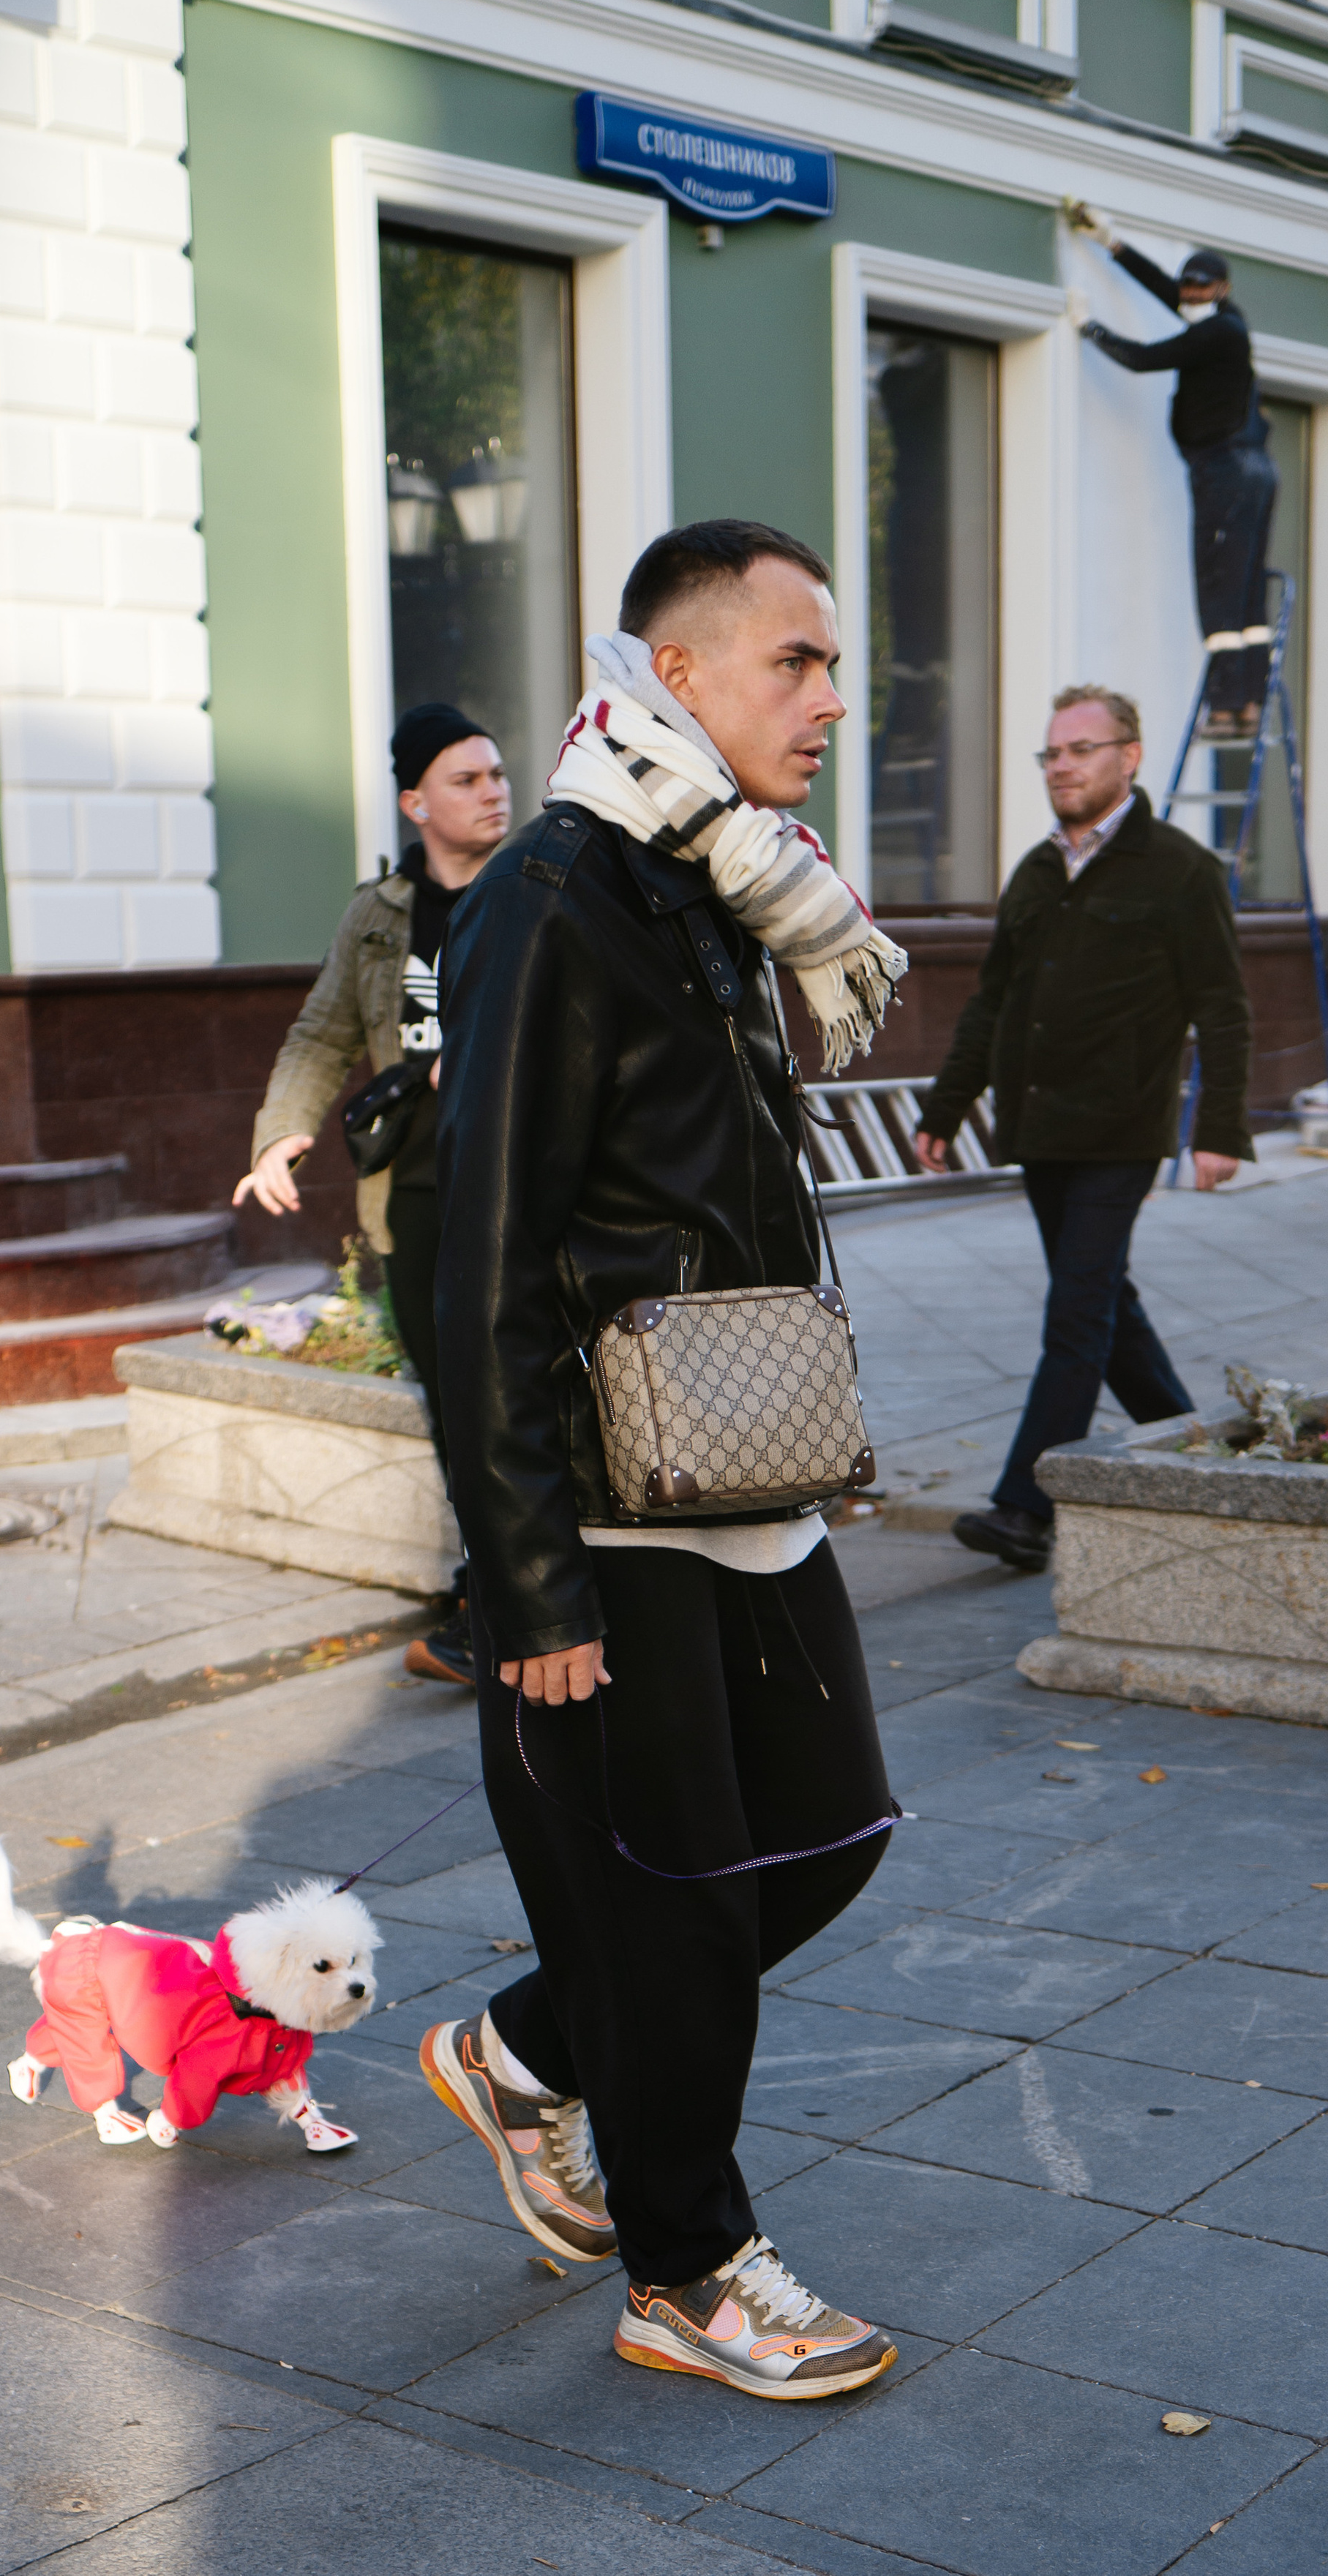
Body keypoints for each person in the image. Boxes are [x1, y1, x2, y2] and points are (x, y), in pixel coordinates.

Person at [421, 520, 909, 2403]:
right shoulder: (552, 897)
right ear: (678, 674)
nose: (829, 696)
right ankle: (687, 2269)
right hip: (615, 1506)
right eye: (794, 660)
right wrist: (526, 1577)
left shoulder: (710, 877)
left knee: (826, 1834)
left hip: (743, 1465)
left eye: (828, 661)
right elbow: (475, 1265)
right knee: (682, 1903)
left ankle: (532, 2054)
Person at [914, 685, 1253, 1571]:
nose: (1062, 766)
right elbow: (993, 1003)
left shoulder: (1179, 870)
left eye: (1081, 750)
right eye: (1051, 754)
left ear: (1129, 757)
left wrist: (1218, 1130)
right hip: (1040, 1127)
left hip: (1121, 1130)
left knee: (1075, 1315)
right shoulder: (1035, 870)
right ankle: (1203, 1458)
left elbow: (1222, 1009)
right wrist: (945, 1109)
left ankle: (1026, 1507)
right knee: (1106, 1306)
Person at [233, 704, 511, 1681]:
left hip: (519, 1189)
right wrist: (284, 1132)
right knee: (454, 1400)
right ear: (415, 801)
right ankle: (494, 1591)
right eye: (468, 780)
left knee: (513, 1395)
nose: (493, 792)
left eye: (496, 775)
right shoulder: (379, 914)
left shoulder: (541, 894)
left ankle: (513, 1599)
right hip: (416, 1195)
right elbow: (321, 1035)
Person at [1072, 210, 1278, 740]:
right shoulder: (1220, 322)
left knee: (1218, 584)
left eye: (1199, 286)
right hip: (1250, 467)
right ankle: (1249, 702)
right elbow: (1165, 289)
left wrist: (1088, 327)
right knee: (1247, 589)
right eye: (1188, 284)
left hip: (1225, 468)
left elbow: (1144, 358)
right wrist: (1110, 243)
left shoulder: (1217, 333)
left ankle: (1228, 704)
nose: (1189, 293)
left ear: (1222, 288)